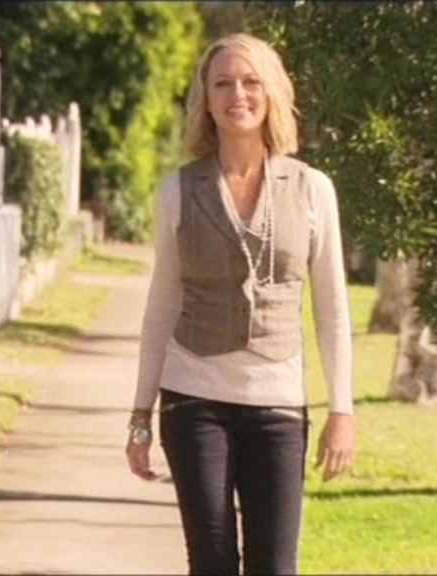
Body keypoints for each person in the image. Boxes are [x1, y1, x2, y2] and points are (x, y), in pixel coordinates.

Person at [125, 33, 355, 576]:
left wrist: (341, 410)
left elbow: (332, 308)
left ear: (272, 92)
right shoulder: (178, 190)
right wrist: (140, 416)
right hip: (192, 399)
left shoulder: (312, 189)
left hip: (279, 405)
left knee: (275, 566)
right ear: (205, 100)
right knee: (211, 562)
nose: (238, 95)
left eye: (251, 82)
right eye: (223, 83)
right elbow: (162, 305)